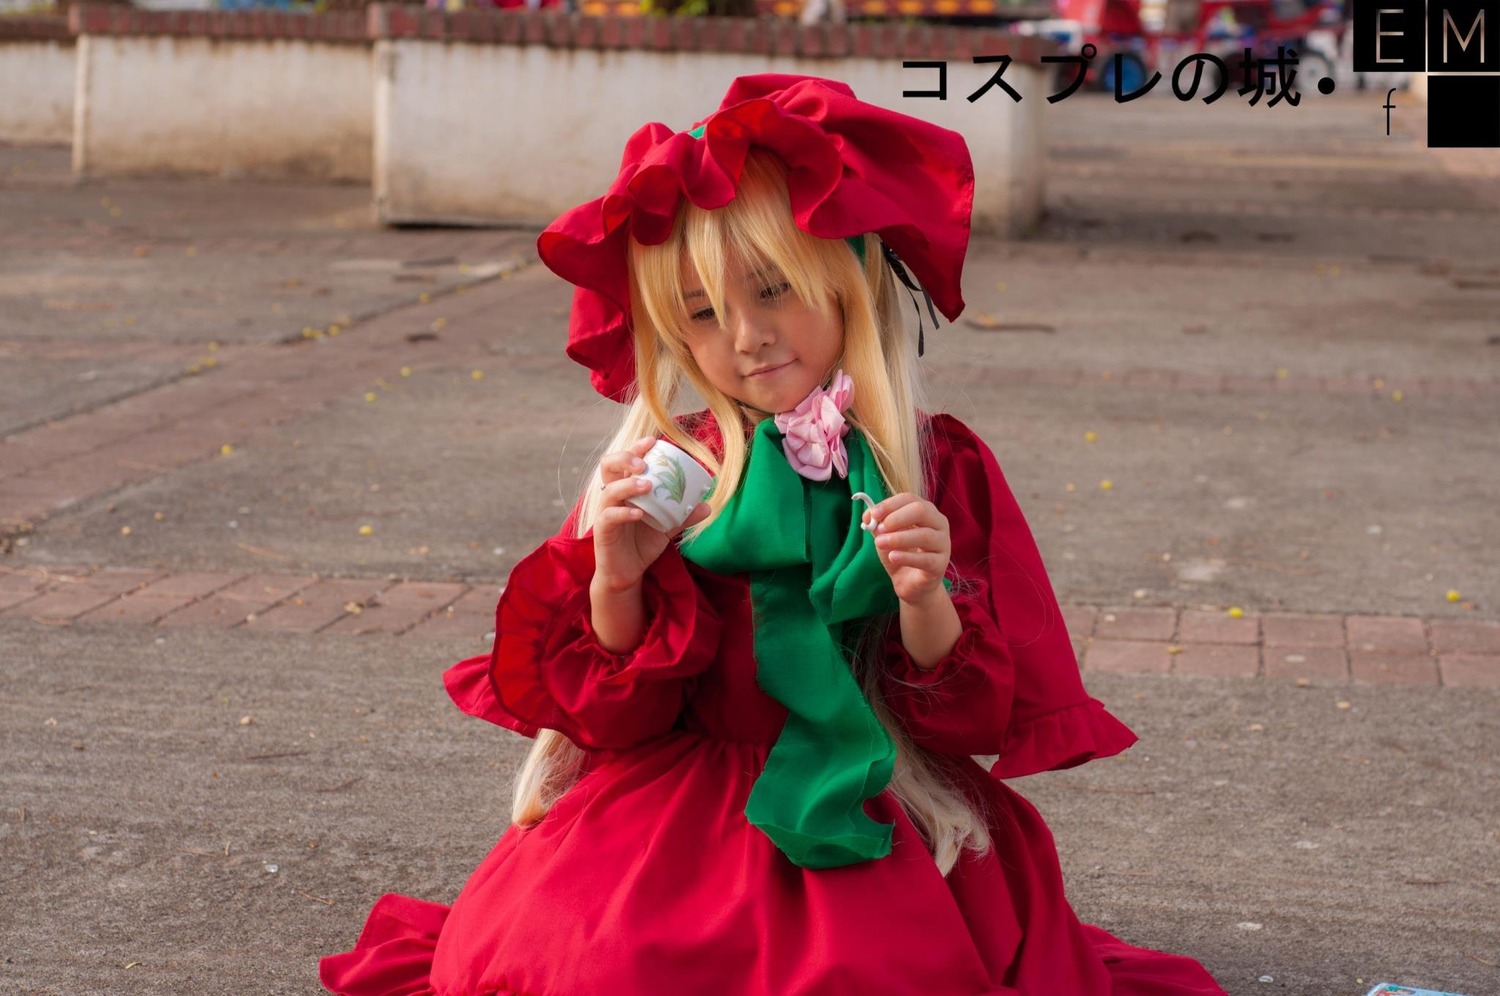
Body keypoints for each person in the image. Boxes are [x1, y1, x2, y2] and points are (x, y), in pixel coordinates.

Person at [320, 74, 1228, 995]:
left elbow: (964, 719)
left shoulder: (932, 463)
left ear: (848, 278)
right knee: (601, 960)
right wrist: (618, 580)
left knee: (887, 968)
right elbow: (613, 716)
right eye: (704, 313)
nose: (748, 338)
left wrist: (922, 597)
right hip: (679, 809)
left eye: (773, 290)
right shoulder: (667, 467)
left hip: (881, 793)